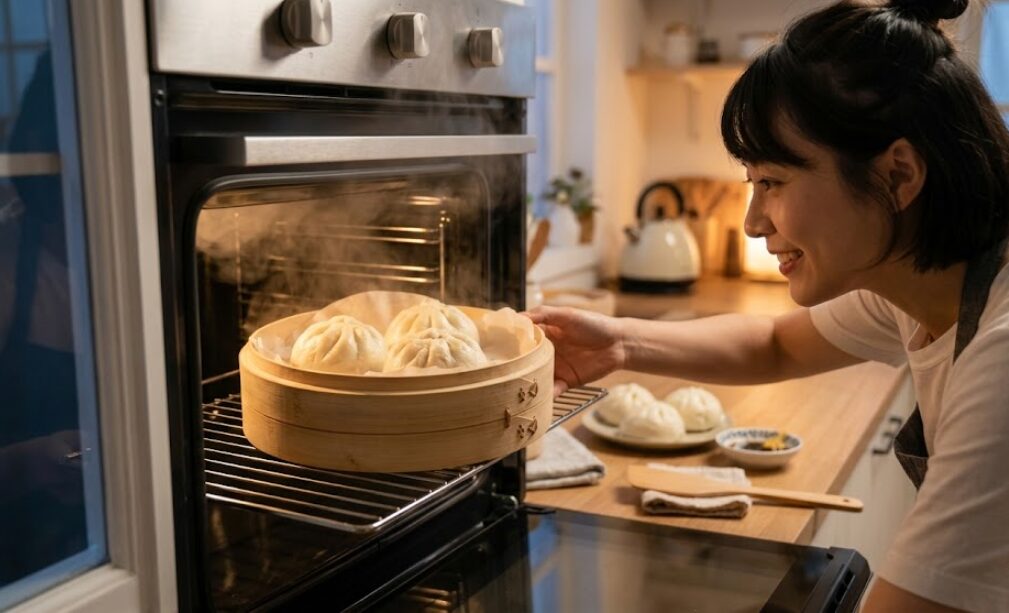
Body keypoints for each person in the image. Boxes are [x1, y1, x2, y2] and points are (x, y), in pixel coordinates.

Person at [528, 0, 1009, 610]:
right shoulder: (923, 284)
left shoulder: (1000, 357)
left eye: (773, 183)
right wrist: (619, 342)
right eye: (752, 184)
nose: (753, 222)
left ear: (898, 176)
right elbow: (774, 345)